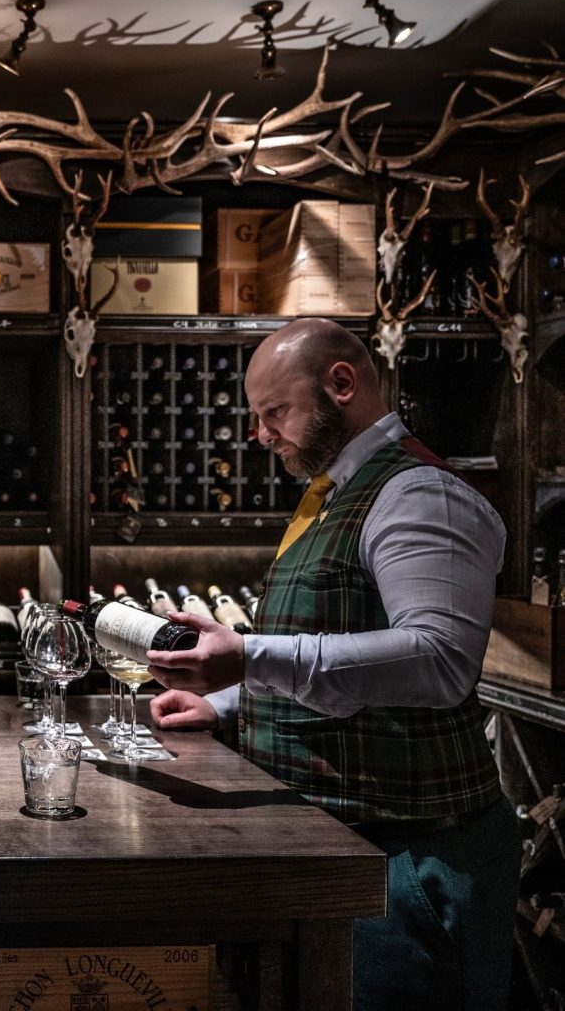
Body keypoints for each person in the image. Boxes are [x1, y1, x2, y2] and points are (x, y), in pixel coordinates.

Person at [147, 318, 520, 1011]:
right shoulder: (332, 495)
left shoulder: (419, 493)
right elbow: (332, 639)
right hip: (342, 846)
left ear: (341, 384)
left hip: (410, 862)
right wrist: (228, 703)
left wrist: (247, 659)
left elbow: (438, 659)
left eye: (274, 412)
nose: (262, 435)